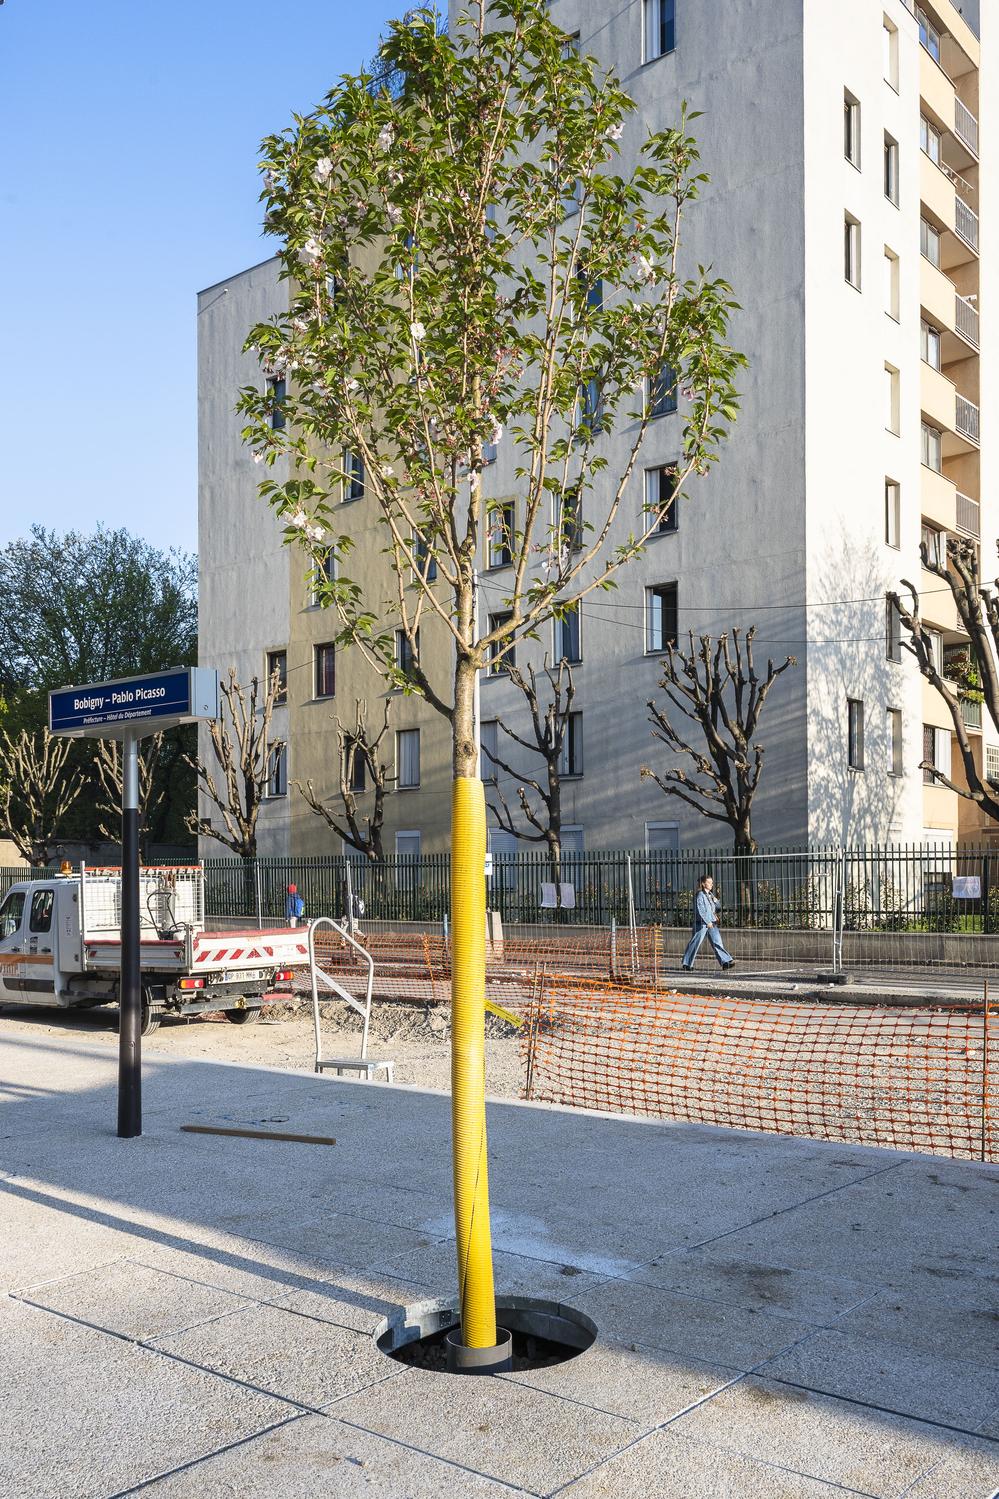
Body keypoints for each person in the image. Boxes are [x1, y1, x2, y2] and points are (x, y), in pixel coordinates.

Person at [681, 874, 735, 971]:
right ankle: (687, 964)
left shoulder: (710, 895)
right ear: (703, 883)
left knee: (717, 942)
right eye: (709, 882)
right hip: (701, 923)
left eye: (712, 882)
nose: (711, 884)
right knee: (695, 943)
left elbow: (717, 908)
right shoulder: (700, 895)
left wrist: (716, 901)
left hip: (712, 923)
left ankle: (725, 962)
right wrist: (707, 921)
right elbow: (700, 910)